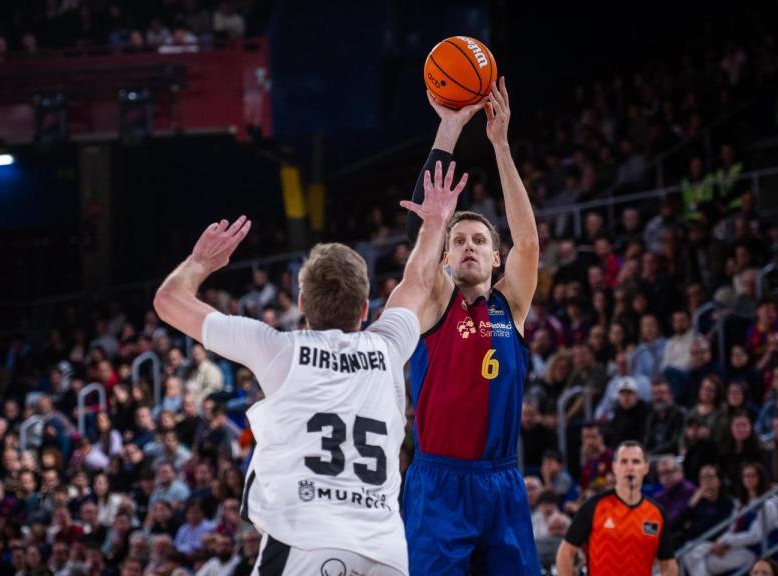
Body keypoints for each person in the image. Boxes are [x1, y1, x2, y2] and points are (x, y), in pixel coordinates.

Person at [152, 159, 469, 574]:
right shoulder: (387, 347)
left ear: (301, 305)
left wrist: (201, 262)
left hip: (307, 543)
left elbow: (168, 301)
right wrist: (436, 222)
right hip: (385, 550)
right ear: (363, 309)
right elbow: (419, 284)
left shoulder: (278, 349)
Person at [400, 78, 541, 574]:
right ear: (444, 257)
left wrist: (500, 143)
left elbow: (527, 241)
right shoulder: (434, 303)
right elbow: (425, 225)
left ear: (494, 256)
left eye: (479, 240)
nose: (467, 246)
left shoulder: (511, 305)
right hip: (439, 485)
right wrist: (449, 129)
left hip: (502, 483)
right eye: (457, 240)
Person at [555, 441, 678, 576]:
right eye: (624, 462)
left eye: (636, 462)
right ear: (614, 467)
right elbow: (565, 553)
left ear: (646, 468)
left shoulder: (657, 513)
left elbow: (668, 564)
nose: (630, 467)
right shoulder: (593, 507)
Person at [681, 461, 778, 575]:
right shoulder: (741, 505)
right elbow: (731, 528)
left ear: (761, 477)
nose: (749, 479)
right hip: (735, 548)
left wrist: (727, 542)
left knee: (694, 557)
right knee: (691, 553)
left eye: (753, 475)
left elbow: (755, 536)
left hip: (753, 552)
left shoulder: (768, 504)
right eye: (746, 476)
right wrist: (722, 543)